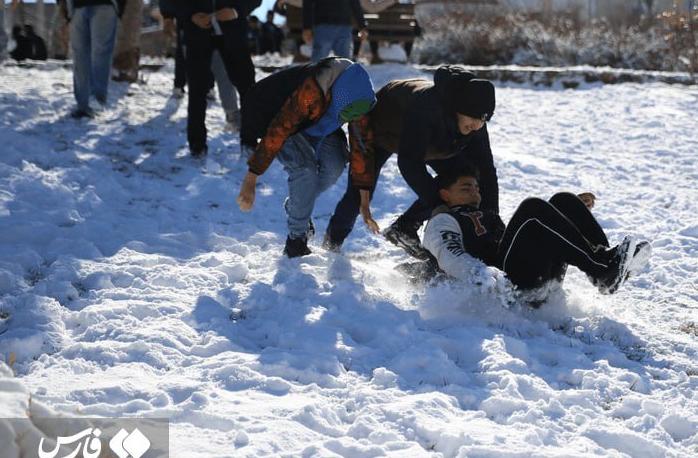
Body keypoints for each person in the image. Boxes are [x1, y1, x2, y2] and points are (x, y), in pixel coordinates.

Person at [325, 65, 498, 257]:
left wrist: (491, 217)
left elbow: (486, 170)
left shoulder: (475, 121)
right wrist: (437, 205)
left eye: (482, 121)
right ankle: (332, 242)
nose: (476, 125)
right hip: (382, 131)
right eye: (473, 118)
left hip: (429, 141)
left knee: (458, 182)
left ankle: (404, 228)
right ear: (459, 108)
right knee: (360, 193)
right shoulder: (427, 107)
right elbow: (409, 163)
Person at [423, 165, 652, 302]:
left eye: (477, 188)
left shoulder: (485, 215)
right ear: (445, 195)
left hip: (531, 276)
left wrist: (565, 217)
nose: (475, 193)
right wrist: (479, 275)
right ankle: (602, 270)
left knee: (565, 201)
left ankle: (606, 267)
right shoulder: (442, 221)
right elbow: (448, 253)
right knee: (532, 209)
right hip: (505, 289)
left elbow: (518, 241)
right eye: (466, 188)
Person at [236, 57, 376, 257]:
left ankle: (296, 205)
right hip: (277, 113)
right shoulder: (313, 89)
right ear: (338, 98)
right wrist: (251, 178)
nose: (350, 120)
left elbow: (362, 147)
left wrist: (364, 201)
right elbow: (280, 128)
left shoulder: (360, 99)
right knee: (304, 170)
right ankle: (296, 240)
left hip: (317, 118)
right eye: (346, 116)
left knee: (336, 163)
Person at [173, 0, 262, 156]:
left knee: (247, 85)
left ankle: (248, 142)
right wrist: (191, 16)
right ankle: (197, 148)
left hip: (232, 33)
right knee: (198, 90)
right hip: (198, 32)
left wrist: (235, 11)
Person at [159, 0, 242, 129]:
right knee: (190, 61)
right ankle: (187, 102)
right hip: (190, 18)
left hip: (218, 19)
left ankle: (233, 115)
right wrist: (168, 14)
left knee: (222, 66)